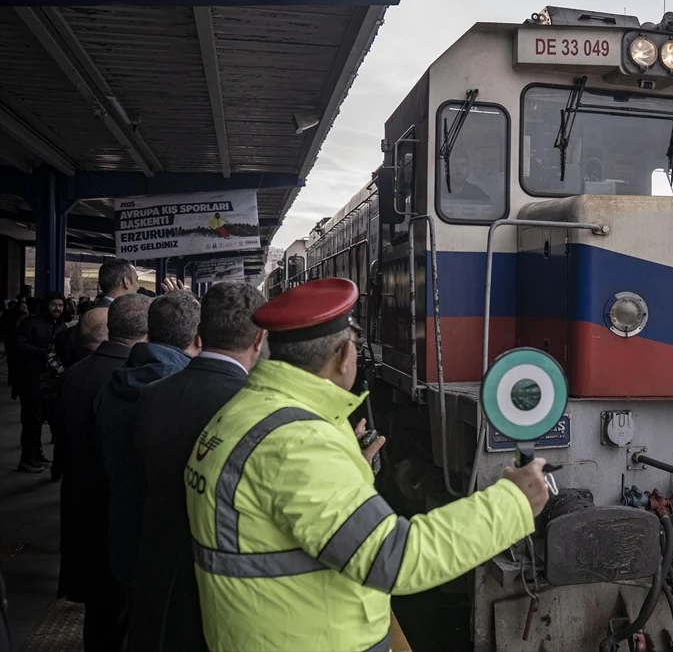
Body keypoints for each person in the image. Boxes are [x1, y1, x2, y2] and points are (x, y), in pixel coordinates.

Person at [186, 278, 548, 651]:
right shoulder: (297, 444)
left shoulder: (248, 412)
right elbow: (395, 557)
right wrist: (512, 503)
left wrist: (350, 467)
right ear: (344, 355)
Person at [128, 282, 266, 652]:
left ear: (200, 335)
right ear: (259, 340)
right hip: (227, 587)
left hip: (157, 568)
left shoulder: (152, 396)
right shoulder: (261, 409)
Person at [57, 293, 151, 651]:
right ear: (146, 332)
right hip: (118, 518)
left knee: (98, 620)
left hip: (81, 510)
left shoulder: (73, 375)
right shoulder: (134, 380)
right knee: (123, 620)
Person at [96, 291, 200, 591]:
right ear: (197, 335)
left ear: (149, 331)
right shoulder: (184, 389)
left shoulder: (112, 383)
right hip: (171, 546)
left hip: (122, 530)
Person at [46, 306, 109, 482]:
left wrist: (64, 372)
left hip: (66, 388)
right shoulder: (107, 363)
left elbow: (50, 357)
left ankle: (58, 468)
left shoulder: (63, 335)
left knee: (64, 436)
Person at [12, 292, 66, 472]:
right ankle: (27, 459)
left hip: (50, 381)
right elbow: (18, 345)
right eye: (54, 305)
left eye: (60, 305)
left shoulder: (60, 325)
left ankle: (36, 454)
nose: (57, 308)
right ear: (45, 305)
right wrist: (42, 352)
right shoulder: (30, 323)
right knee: (32, 421)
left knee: (44, 419)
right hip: (31, 379)